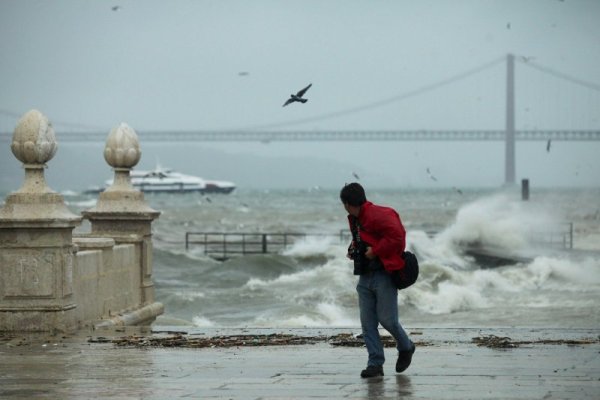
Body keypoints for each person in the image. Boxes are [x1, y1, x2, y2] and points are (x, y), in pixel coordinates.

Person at [340, 182, 415, 378]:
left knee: (388, 320)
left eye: (344, 204)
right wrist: (353, 248)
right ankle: (375, 364)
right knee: (367, 323)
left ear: (347, 203)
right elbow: (364, 238)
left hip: (383, 275)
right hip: (364, 275)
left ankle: (406, 347)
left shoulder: (378, 214)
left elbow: (398, 237)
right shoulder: (355, 219)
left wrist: (376, 251)